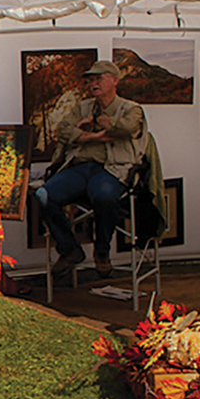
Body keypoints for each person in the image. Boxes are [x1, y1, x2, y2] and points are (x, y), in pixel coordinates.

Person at [38, 59, 148, 278]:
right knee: (43, 194)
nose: (93, 84)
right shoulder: (83, 107)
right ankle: (69, 250)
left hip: (112, 168)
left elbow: (129, 128)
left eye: (99, 78)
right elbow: (64, 132)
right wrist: (94, 135)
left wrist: (106, 124)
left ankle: (102, 250)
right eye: (91, 80)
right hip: (80, 166)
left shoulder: (131, 108)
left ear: (115, 81)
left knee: (104, 196)